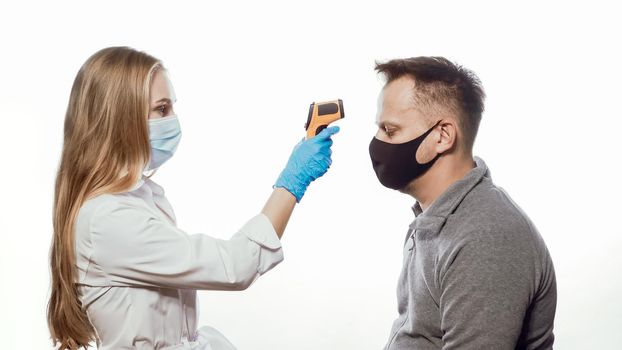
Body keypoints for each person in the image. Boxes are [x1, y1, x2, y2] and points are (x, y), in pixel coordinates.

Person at [46, 46, 340, 350]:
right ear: (121, 119)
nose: (173, 120)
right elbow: (235, 267)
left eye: (172, 107)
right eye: (161, 109)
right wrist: (292, 182)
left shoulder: (138, 199)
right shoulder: (107, 220)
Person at [368, 56, 556, 349]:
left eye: (390, 130)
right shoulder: (437, 218)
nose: (377, 142)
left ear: (442, 136)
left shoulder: (487, 238)